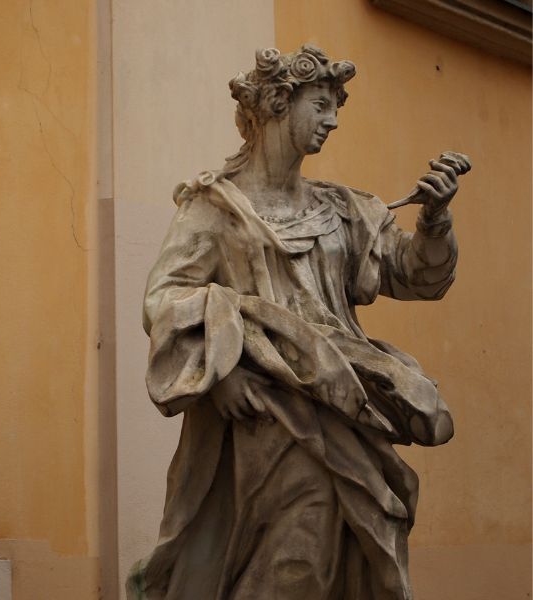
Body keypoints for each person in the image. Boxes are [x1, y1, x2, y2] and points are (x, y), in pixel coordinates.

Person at [127, 45, 469, 600]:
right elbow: (164, 299)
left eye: (337, 107)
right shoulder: (215, 209)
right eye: (321, 104)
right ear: (279, 105)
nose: (333, 119)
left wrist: (434, 220)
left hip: (347, 407)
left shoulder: (340, 209)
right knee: (296, 563)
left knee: (348, 557)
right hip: (269, 420)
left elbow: (414, 274)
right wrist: (224, 376)